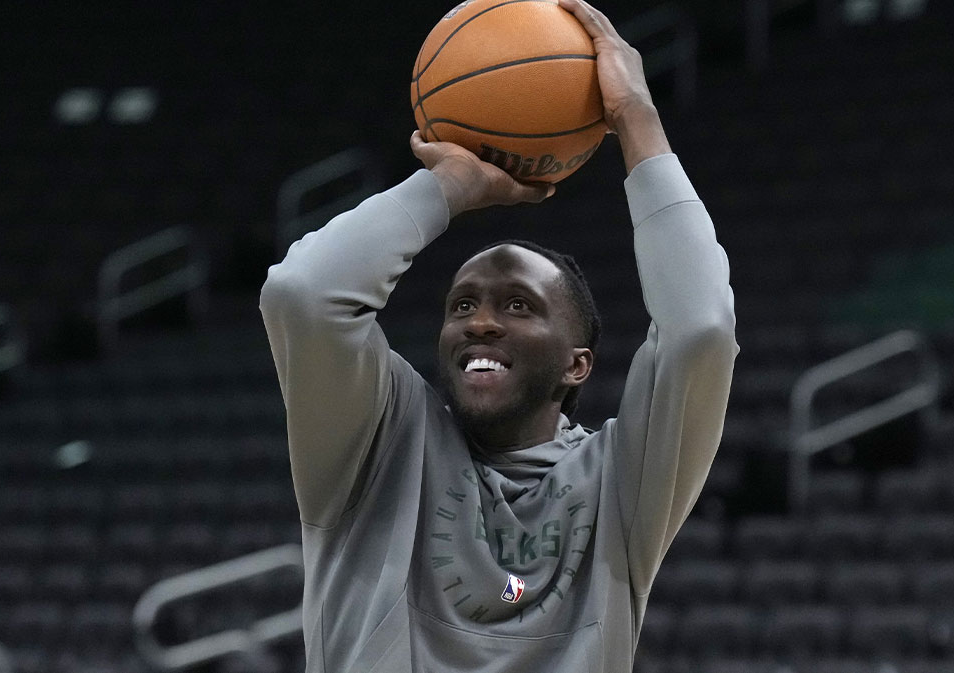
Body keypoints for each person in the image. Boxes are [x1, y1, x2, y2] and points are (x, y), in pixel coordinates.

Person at [259, 1, 738, 670]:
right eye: (462, 305)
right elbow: (303, 294)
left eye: (517, 304)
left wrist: (635, 118)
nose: (480, 320)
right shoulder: (378, 442)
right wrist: (448, 186)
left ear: (577, 365)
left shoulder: (623, 484)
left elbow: (702, 330)